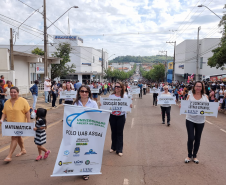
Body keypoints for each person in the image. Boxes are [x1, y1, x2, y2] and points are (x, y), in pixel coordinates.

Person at [73, 85, 98, 181]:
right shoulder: (75, 103)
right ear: (79, 92)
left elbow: (97, 116)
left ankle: (86, 171)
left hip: (90, 132)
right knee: (79, 151)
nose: (84, 93)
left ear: (89, 93)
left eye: (86, 91)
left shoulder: (93, 103)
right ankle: (78, 168)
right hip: (78, 132)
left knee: (87, 151)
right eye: (82, 91)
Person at [180, 81, 209, 164]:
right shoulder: (190, 96)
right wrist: (182, 106)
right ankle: (189, 155)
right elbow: (185, 106)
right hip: (190, 119)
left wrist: (215, 109)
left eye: (200, 86)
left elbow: (209, 108)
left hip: (201, 121)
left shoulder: (205, 97)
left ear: (202, 87)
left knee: (197, 138)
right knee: (191, 137)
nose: (198, 88)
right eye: (197, 86)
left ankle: (195, 155)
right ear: (194, 87)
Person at [0, 87, 30, 162]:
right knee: (18, 136)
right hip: (11, 124)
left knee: (14, 137)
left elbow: (27, 112)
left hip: (20, 123)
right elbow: (4, 112)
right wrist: (2, 119)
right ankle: (23, 149)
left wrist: (29, 122)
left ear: (18, 93)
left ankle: (9, 156)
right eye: (11, 92)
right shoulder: (7, 102)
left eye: (14, 92)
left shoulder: (23, 101)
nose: (13, 94)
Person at [107, 82, 132, 157]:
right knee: (113, 131)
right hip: (112, 116)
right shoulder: (111, 96)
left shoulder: (124, 96)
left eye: (118, 86)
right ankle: (113, 147)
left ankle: (119, 149)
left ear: (121, 88)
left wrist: (130, 105)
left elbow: (128, 105)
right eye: (115, 86)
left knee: (119, 132)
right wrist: (102, 105)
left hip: (121, 116)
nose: (116, 88)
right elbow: (107, 105)